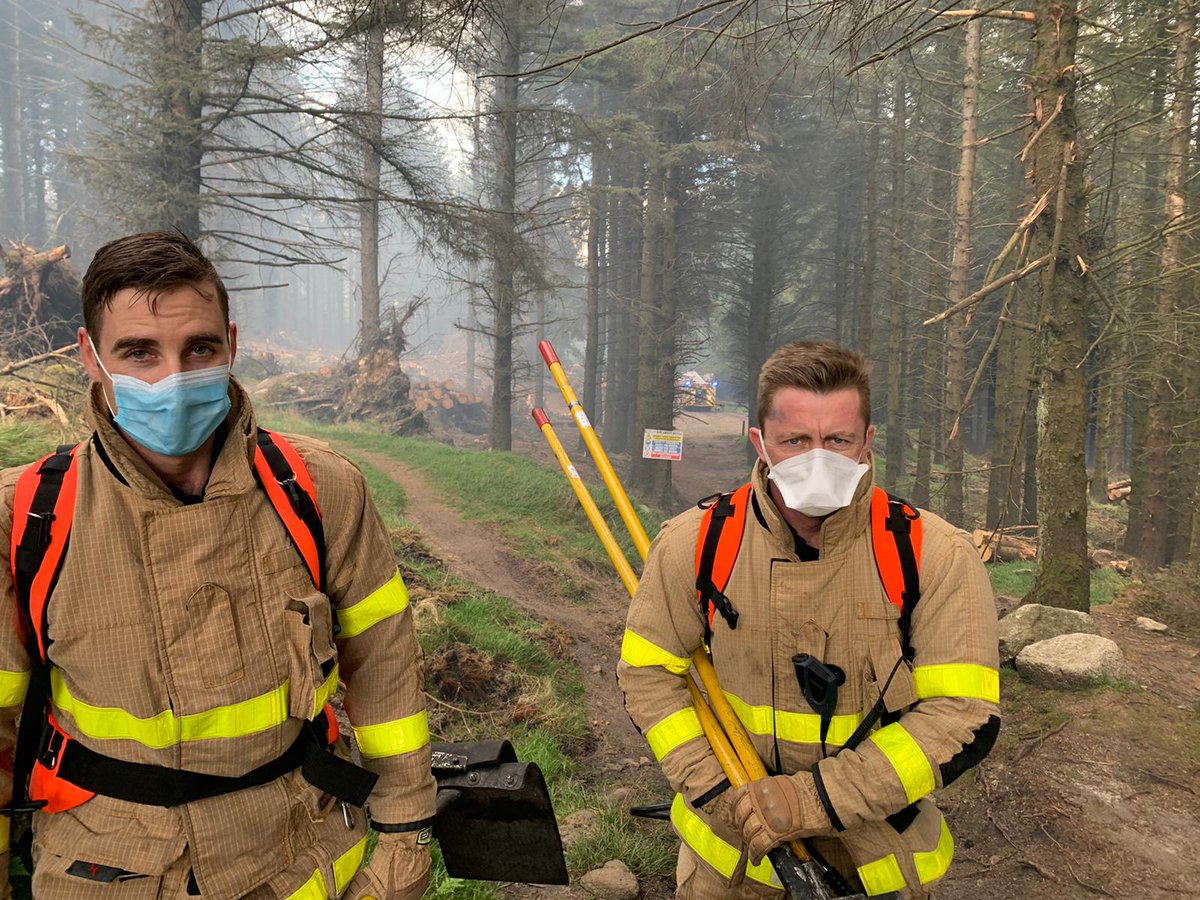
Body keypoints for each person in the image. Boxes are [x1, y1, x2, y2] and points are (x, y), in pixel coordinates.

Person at [0, 232, 436, 898]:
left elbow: (385, 670)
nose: (172, 380)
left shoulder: (320, 490)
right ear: (90, 356)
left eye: (198, 349)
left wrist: (407, 837)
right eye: (139, 352)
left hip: (300, 862)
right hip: (107, 870)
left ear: (230, 344)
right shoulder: (24, 517)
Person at [618, 340, 1000, 899]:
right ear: (761, 443)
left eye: (837, 440)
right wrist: (718, 793)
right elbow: (648, 674)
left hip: (875, 867)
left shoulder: (933, 556)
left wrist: (814, 801)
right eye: (795, 440)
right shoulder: (695, 544)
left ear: (867, 444)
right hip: (729, 864)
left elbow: (962, 716)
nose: (817, 458)